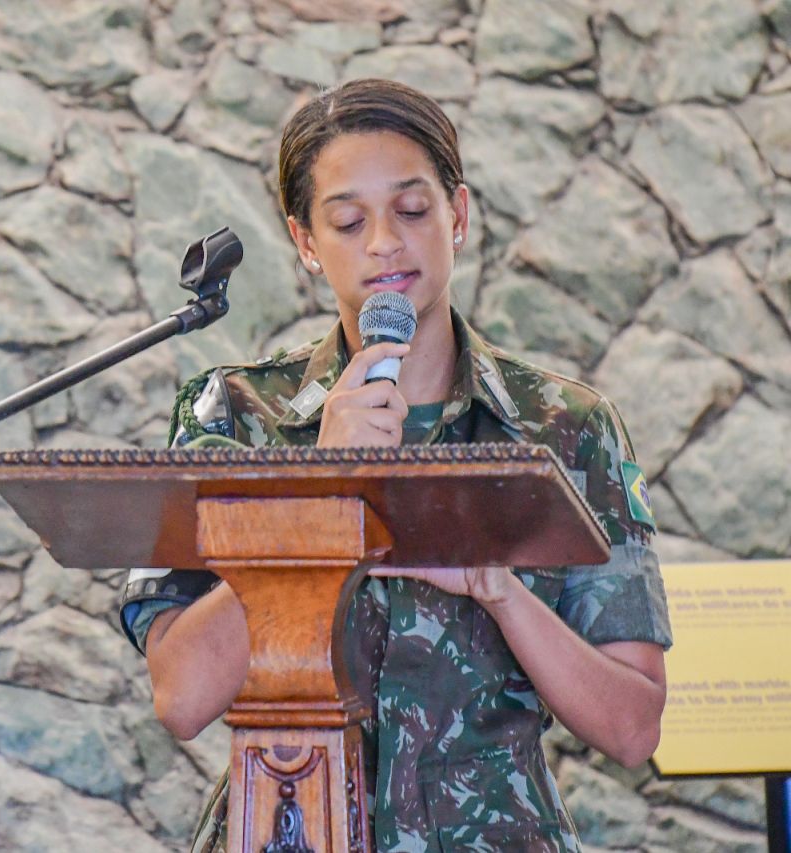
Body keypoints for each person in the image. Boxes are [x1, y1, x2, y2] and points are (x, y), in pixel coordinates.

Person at [117, 79, 672, 852]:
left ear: (458, 215)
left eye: (412, 210)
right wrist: (318, 487)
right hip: (289, 825)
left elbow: (633, 726)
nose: (383, 242)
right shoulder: (235, 417)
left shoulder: (567, 428)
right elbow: (181, 696)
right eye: (348, 221)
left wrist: (499, 589)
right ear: (306, 243)